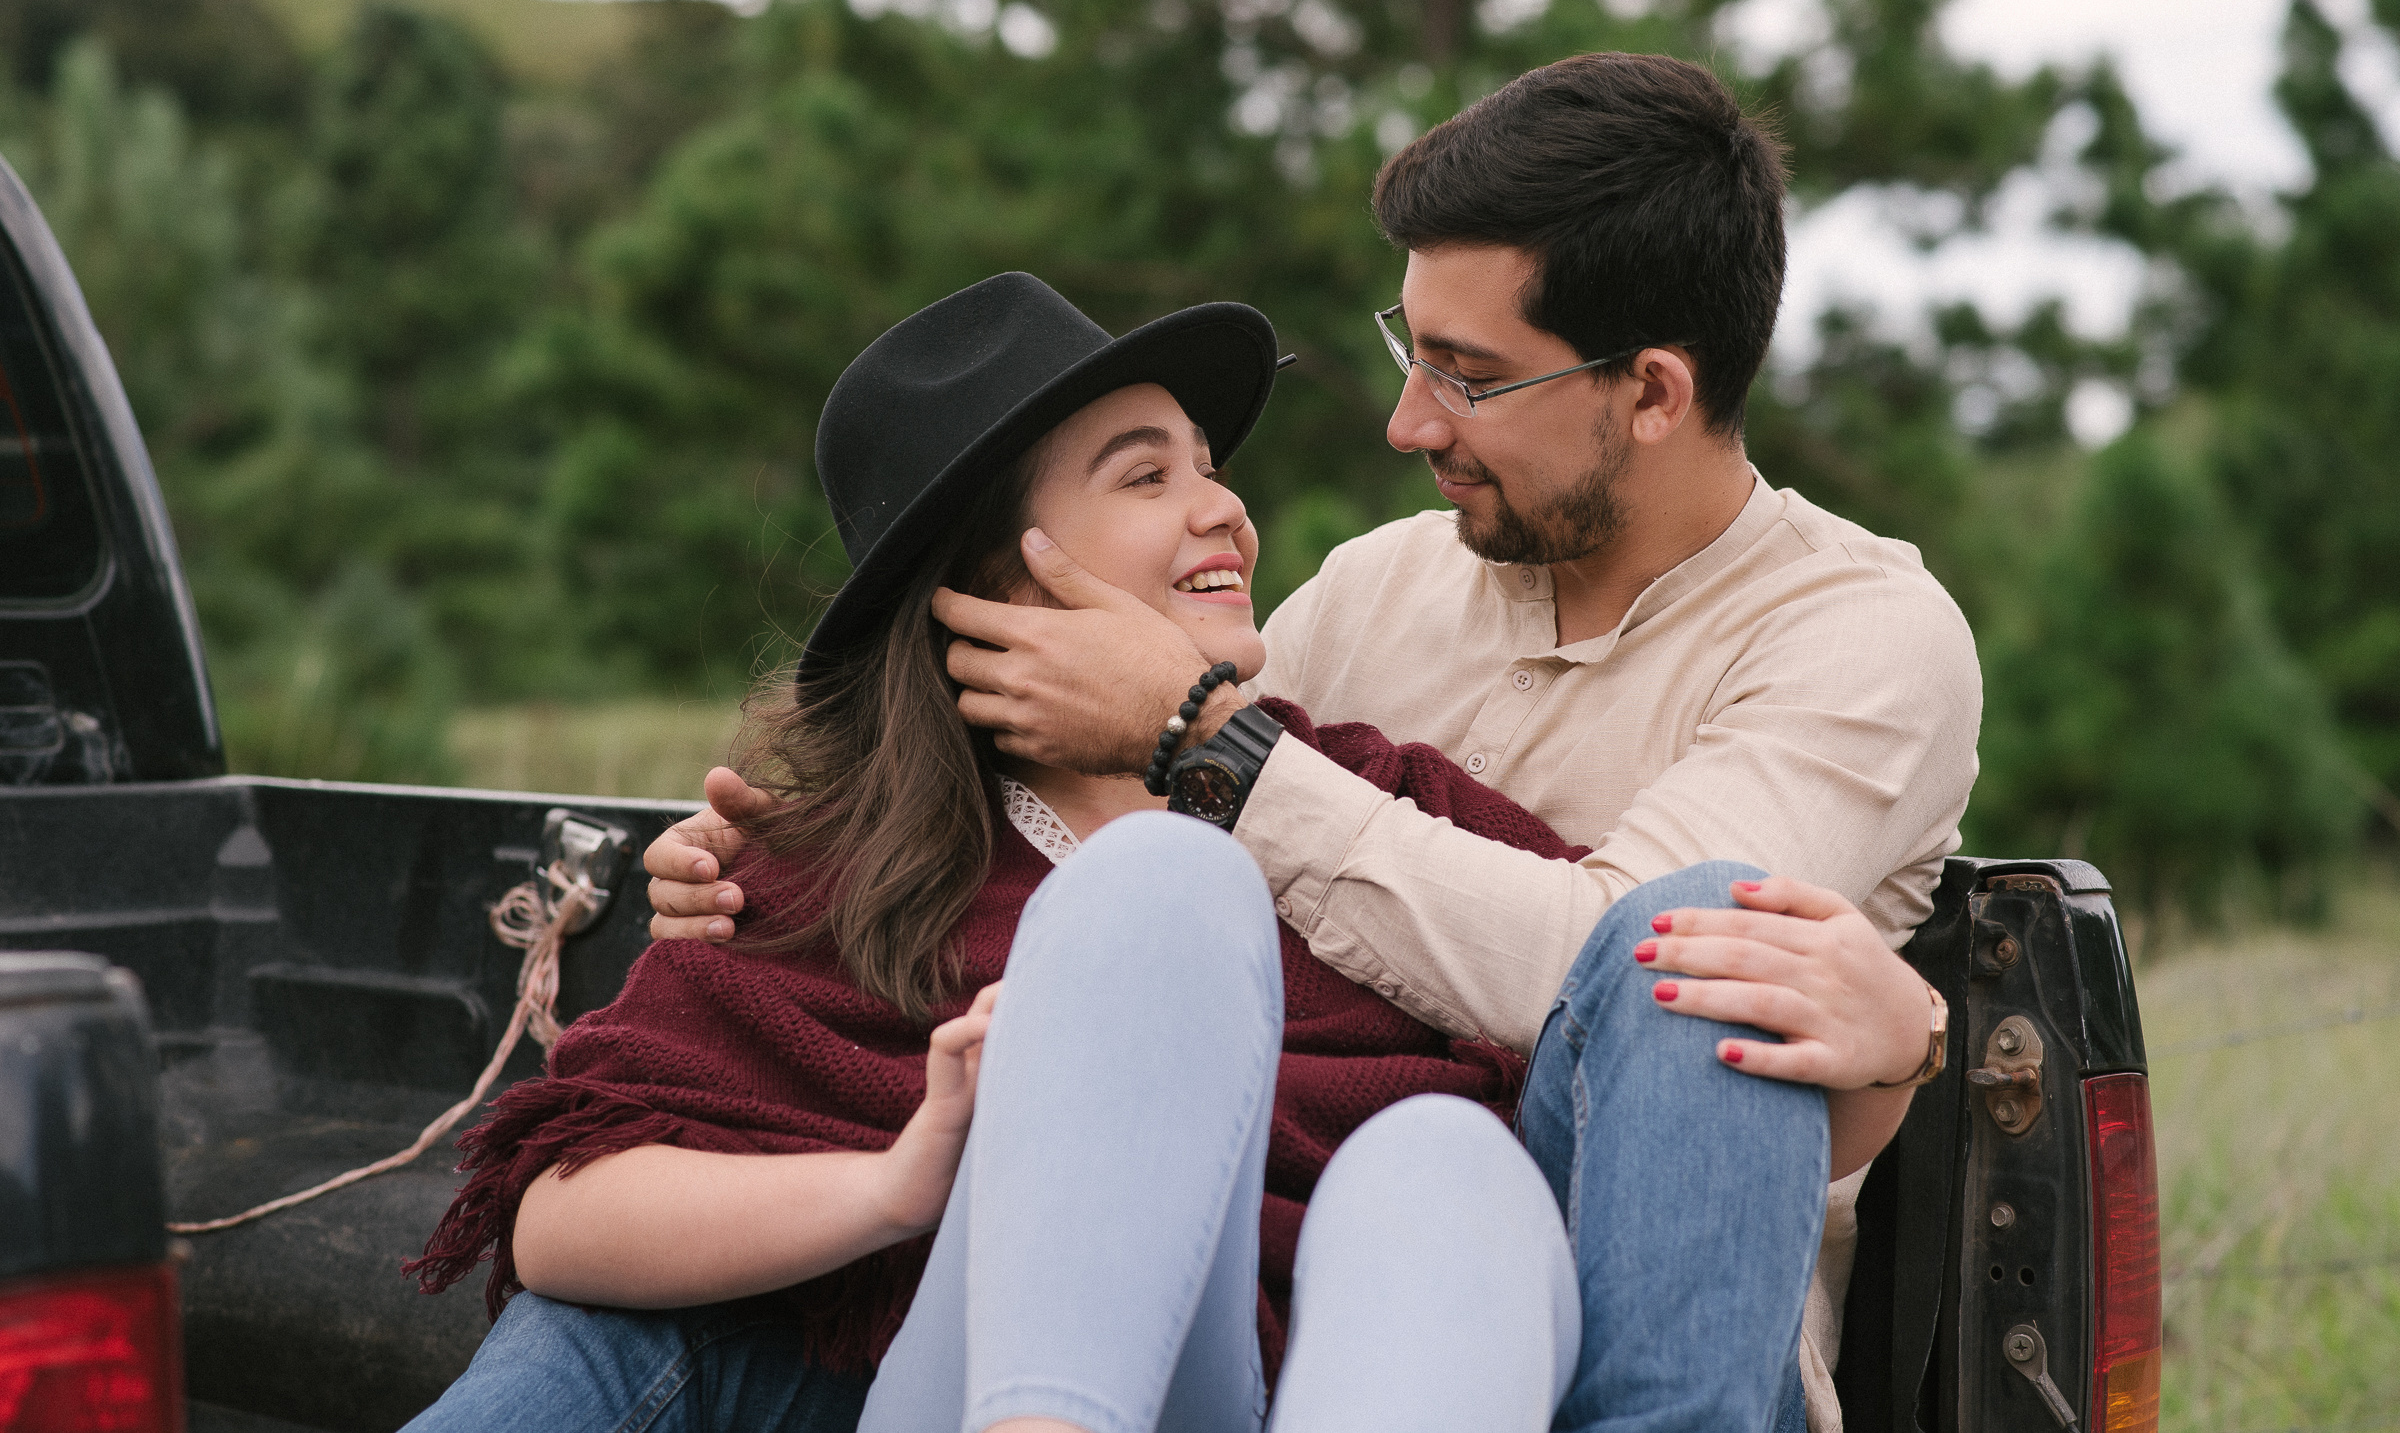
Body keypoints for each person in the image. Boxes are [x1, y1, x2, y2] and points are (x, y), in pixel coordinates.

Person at [647, 52, 1980, 1431]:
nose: (1410, 420)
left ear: (1650, 391)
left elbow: (1624, 967)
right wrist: (794, 863)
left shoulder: (1862, 637)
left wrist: (1197, 740)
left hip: (1641, 1315)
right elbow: (1123, 875)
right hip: (1344, 1295)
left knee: (1680, 943)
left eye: (1468, 377)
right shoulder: (1376, 590)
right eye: (1414, 350)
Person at [405, 272, 1841, 1433]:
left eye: (1212, 468)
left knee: (1444, 1159)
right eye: (1147, 476)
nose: (1224, 506)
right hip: (987, 1388)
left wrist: (1891, 1039)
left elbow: (1652, 1048)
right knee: (1163, 887)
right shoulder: (834, 872)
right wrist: (907, 1175)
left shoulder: (1377, 807)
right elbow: (560, 1218)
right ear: (995, 580)